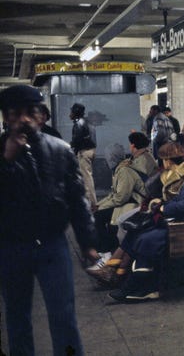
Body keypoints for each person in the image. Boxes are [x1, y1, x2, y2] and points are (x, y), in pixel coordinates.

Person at [0, 84, 98, 356]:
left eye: (30, 112)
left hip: (53, 245)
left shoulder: (60, 150)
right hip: (11, 246)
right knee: (17, 315)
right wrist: (7, 159)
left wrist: (88, 242)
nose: (24, 119)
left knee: (63, 314)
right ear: (6, 118)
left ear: (41, 116)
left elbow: (77, 198)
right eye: (15, 113)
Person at [108, 139, 184, 302]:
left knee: (148, 239)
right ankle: (131, 283)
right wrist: (164, 204)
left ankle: (136, 286)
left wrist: (165, 209)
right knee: (141, 234)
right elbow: (182, 199)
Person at [90, 141, 149, 263]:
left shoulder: (124, 171)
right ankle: (105, 248)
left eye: (108, 157)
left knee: (99, 217)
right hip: (126, 203)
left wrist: (100, 207)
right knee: (98, 215)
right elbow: (114, 194)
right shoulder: (120, 169)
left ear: (112, 158)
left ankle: (106, 251)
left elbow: (120, 197)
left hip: (133, 205)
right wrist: (99, 205)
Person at [70, 102, 97, 210]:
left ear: (75, 112)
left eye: (71, 111)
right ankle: (90, 203)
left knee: (87, 180)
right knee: (87, 177)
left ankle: (92, 205)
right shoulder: (88, 121)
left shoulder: (79, 123)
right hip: (91, 150)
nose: (70, 113)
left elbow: (77, 140)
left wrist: (70, 146)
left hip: (84, 152)